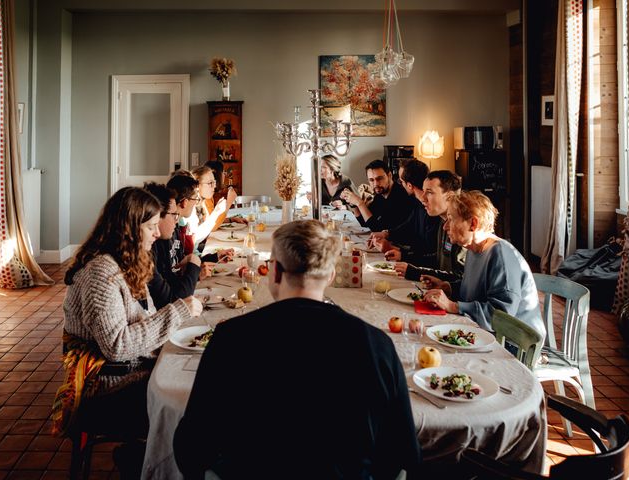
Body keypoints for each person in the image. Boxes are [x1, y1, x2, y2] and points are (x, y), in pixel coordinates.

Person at [174, 220, 421, 479]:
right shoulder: (376, 344)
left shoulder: (231, 338)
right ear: (331, 275)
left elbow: (191, 448)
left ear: (276, 272)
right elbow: (403, 454)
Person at [57, 187, 202, 473]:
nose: (155, 233)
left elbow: (143, 321)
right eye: (149, 226)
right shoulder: (101, 273)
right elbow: (117, 346)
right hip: (104, 387)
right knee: (193, 402)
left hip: (130, 370)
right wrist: (179, 312)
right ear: (129, 230)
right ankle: (153, 465)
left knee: (200, 380)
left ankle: (143, 459)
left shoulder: (127, 263)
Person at [421, 190, 545, 336]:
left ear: (473, 223)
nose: (445, 226)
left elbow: (501, 316)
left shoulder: (501, 256)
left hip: (513, 344)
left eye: (451, 219)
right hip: (484, 333)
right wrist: (448, 287)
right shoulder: (474, 249)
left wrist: (453, 306)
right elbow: (477, 290)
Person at [143, 182, 215, 309]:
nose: (177, 221)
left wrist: (194, 271)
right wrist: (194, 264)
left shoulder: (161, 240)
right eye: (174, 215)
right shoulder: (148, 252)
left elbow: (171, 278)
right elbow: (173, 302)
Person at [394, 170, 466, 282]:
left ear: (450, 197)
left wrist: (415, 272)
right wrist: (404, 257)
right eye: (423, 191)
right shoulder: (442, 221)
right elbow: (438, 259)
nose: (422, 198)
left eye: (429, 192)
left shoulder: (464, 228)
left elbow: (461, 278)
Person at [371, 159, 440, 268]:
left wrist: (400, 253)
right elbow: (409, 226)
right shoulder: (418, 202)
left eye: (401, 181)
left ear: (409, 185)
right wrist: (387, 234)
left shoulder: (432, 210)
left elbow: (429, 253)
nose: (400, 184)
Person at [340, 159, 412, 231]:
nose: (375, 184)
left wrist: (360, 203)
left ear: (389, 176)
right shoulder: (380, 195)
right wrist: (353, 204)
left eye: (379, 178)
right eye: (371, 180)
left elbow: (377, 228)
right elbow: (365, 222)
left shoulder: (400, 195)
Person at [189, 164, 245, 248]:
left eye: (214, 182)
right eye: (210, 183)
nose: (214, 186)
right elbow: (194, 239)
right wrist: (218, 211)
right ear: (197, 185)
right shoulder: (191, 208)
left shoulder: (201, 203)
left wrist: (228, 218)